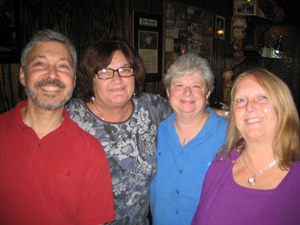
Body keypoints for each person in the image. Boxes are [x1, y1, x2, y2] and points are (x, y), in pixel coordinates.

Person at [0, 29, 115, 225]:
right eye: (40, 64)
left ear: (74, 80)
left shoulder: (90, 150)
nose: (52, 74)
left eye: (63, 66)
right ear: (22, 75)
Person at [65, 38, 173, 225]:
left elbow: (188, 112)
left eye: (125, 70)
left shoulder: (151, 108)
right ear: (91, 78)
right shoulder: (70, 117)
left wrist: (223, 113)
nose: (117, 79)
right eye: (105, 72)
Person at [192, 68, 300, 225]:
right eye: (241, 100)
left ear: (283, 107)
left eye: (262, 97)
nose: (249, 107)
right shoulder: (220, 164)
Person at [149, 53, 228, 225]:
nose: (187, 93)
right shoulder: (154, 133)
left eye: (196, 86)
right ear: (168, 92)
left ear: (207, 93)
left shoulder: (229, 135)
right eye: (179, 85)